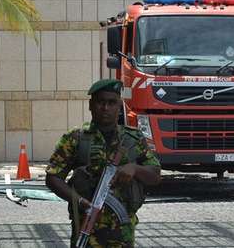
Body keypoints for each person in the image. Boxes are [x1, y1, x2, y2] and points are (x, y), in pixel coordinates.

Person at [45, 79, 161, 247]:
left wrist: (134, 169)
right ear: (90, 105)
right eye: (100, 102)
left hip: (122, 235)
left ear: (119, 106)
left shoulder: (133, 139)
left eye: (111, 103)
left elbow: (155, 175)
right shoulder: (76, 138)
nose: (105, 108)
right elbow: (53, 177)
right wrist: (79, 201)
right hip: (86, 232)